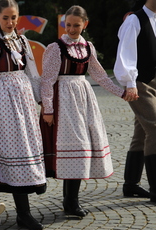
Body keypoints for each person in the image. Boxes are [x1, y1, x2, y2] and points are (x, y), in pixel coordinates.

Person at [40, 5, 134, 218]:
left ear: (85, 24)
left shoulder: (87, 47)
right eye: (69, 25)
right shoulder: (56, 47)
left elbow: (100, 77)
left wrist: (121, 93)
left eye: (76, 25)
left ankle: (71, 200)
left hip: (84, 98)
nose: (72, 29)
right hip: (64, 99)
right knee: (75, 146)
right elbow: (47, 81)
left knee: (84, 148)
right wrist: (48, 109)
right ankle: (70, 201)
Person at [0, 0, 46, 230]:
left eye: (13, 17)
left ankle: (23, 213)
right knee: (5, 155)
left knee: (24, 151)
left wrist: (42, 102)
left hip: (24, 103)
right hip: (3, 104)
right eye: (5, 18)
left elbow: (33, 74)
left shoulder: (23, 41)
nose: (10, 22)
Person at [114, 0, 156, 201]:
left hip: (154, 82)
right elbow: (125, 54)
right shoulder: (134, 20)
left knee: (142, 131)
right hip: (139, 83)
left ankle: (131, 184)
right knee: (155, 128)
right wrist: (129, 83)